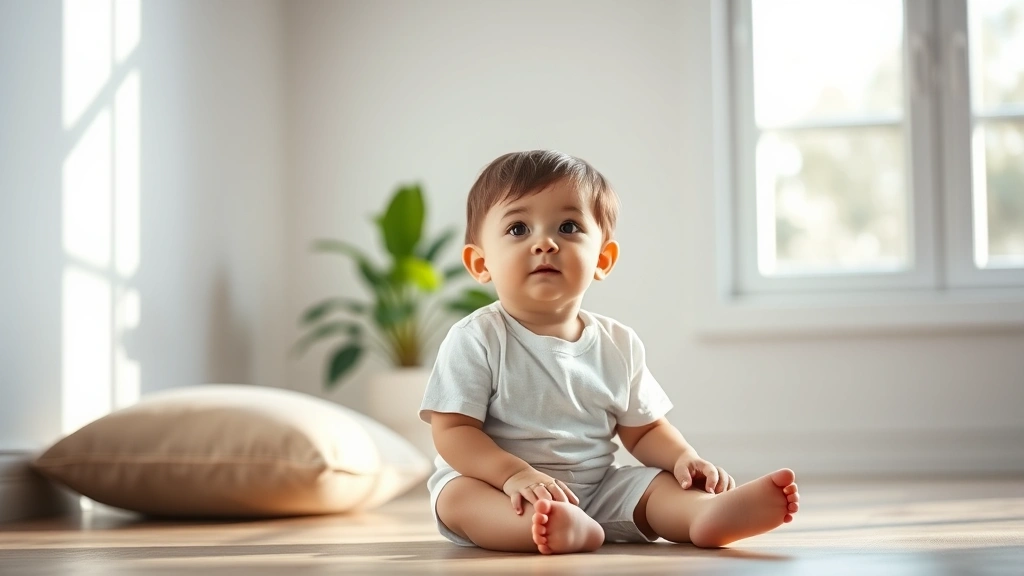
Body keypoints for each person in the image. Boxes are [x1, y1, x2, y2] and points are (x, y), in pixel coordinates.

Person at [418, 150, 799, 554]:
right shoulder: (477, 337)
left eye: (567, 227)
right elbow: (453, 432)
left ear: (602, 258)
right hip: (498, 487)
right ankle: (544, 527)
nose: (544, 243)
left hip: (597, 488)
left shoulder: (618, 343)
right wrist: (514, 475)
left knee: (654, 484)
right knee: (457, 496)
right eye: (518, 229)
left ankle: (703, 513)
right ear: (481, 263)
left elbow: (645, 429)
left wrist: (683, 458)